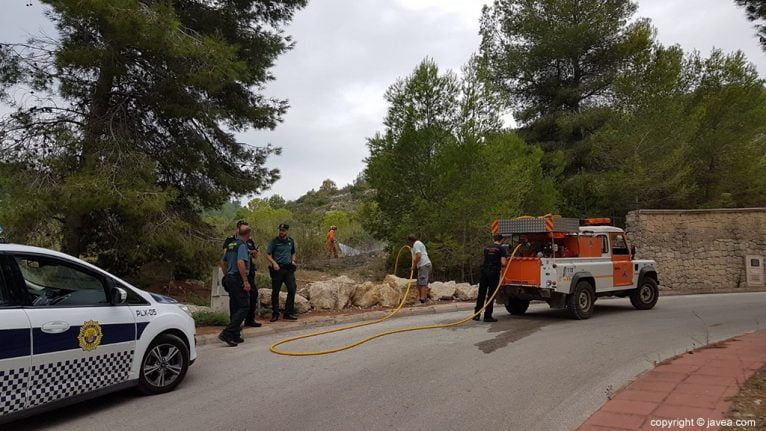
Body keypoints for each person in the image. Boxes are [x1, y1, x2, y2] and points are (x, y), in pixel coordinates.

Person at [218, 223, 253, 346]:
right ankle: (228, 332)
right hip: (238, 278)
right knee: (244, 306)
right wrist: (245, 281)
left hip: (230, 278)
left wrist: (227, 275)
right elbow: (240, 262)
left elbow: (222, 261)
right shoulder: (242, 245)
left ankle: (235, 334)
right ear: (248, 234)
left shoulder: (231, 244)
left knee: (235, 306)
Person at [222, 221, 261, 328]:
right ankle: (232, 328)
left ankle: (241, 325)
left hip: (245, 273)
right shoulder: (231, 241)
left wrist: (254, 254)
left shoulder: (248, 242)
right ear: (238, 229)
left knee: (251, 296)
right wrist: (242, 279)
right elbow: (238, 261)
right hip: (238, 275)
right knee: (241, 304)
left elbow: (254, 259)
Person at [474, 234, 509, 322]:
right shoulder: (501, 249)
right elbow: (503, 263)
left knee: (481, 293)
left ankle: (476, 315)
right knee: (491, 295)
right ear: (502, 240)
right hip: (493, 273)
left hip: (484, 272)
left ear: (494, 239)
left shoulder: (486, 248)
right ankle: (487, 316)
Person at [266, 223, 298, 322]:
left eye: (283, 230)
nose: (281, 232)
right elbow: (268, 254)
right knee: (275, 291)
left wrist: (293, 261)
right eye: (280, 230)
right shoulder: (274, 241)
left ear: (287, 231)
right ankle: (275, 314)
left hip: (288, 269)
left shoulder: (290, 241)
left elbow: (293, 252)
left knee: (292, 289)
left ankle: (288, 313)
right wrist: (274, 263)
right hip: (277, 269)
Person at [408, 234, 432, 304]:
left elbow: (418, 256)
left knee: (423, 282)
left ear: (410, 241)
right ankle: (422, 298)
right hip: (425, 265)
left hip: (424, 265)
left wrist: (414, 266)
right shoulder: (419, 243)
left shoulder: (416, 244)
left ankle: (423, 300)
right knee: (419, 282)